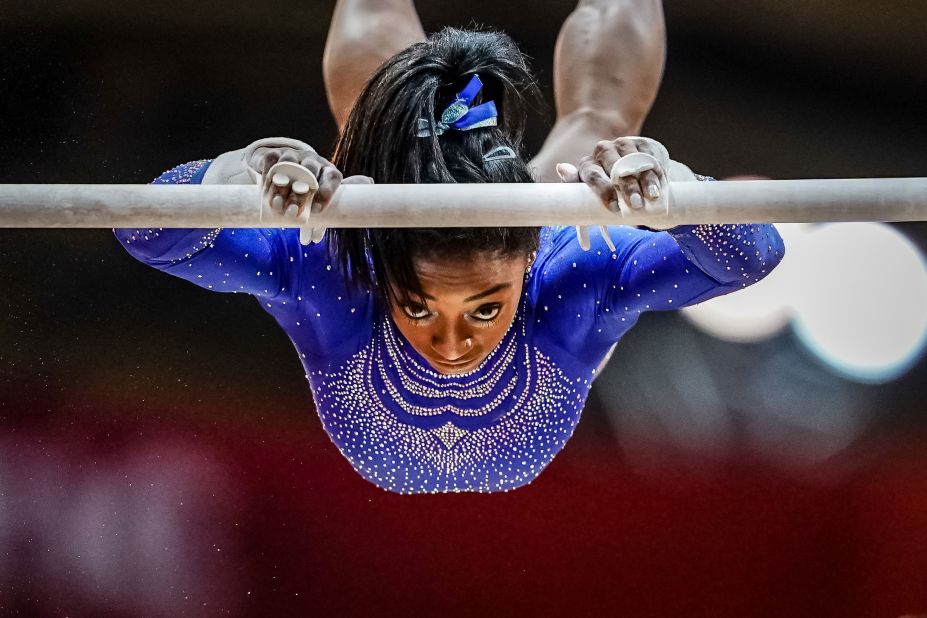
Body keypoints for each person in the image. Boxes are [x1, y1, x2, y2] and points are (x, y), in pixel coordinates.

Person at [114, 3, 784, 494]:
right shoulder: (338, 267)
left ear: (527, 261)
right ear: (381, 275)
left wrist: (670, 186)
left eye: (486, 308)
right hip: (383, 229)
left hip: (512, 233)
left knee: (592, 143)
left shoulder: (567, 269)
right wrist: (240, 169)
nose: (452, 341)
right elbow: (141, 230)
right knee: (366, 165)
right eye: (419, 304)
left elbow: (756, 254)